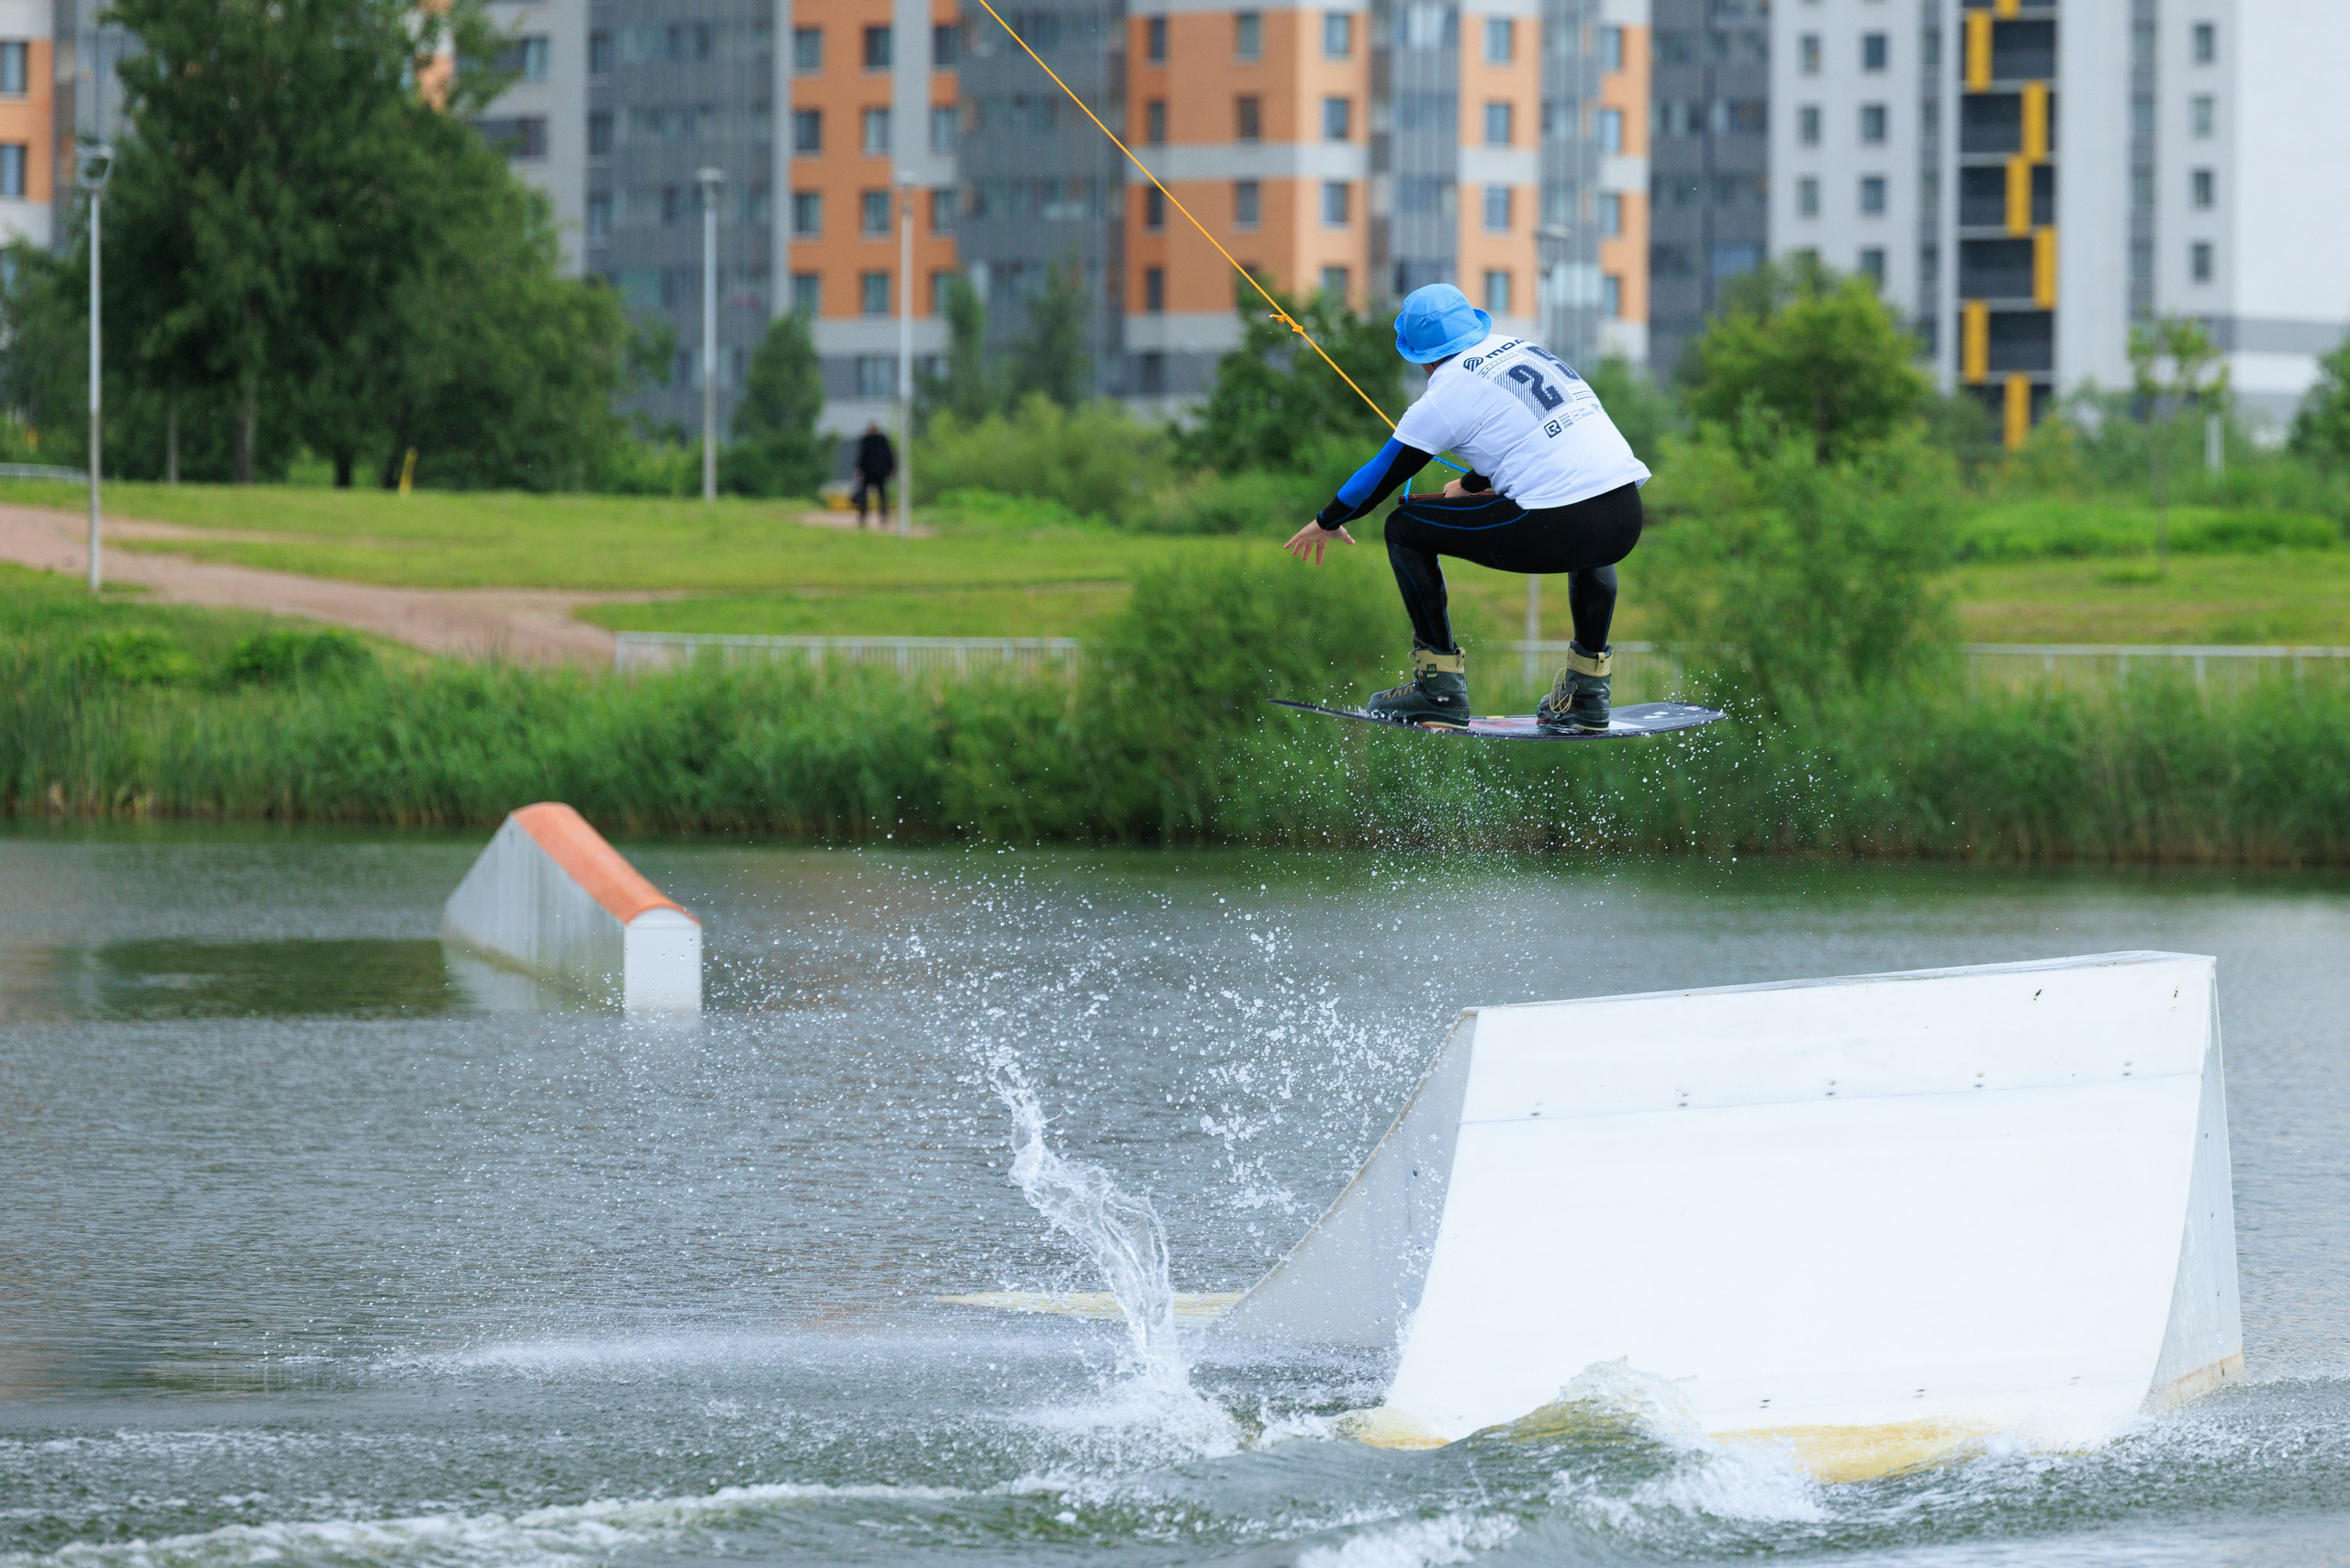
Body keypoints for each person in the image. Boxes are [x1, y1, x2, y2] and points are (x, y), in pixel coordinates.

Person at [1283, 283, 1651, 731]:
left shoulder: (1446, 392)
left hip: (1557, 524)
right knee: (1586, 535)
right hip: (1624, 516)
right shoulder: (1519, 348)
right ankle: (1588, 693)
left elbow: (1378, 479)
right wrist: (1469, 484)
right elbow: (1526, 434)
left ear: (1418, 356)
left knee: (1403, 527)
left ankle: (1438, 689)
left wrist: (1327, 521)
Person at [852, 422, 897, 529]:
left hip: (877, 472)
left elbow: (888, 455)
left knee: (881, 496)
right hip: (870, 472)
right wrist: (859, 468)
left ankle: (882, 516)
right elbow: (862, 455)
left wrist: (891, 469)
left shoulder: (881, 440)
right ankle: (864, 517)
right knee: (867, 496)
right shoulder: (868, 440)